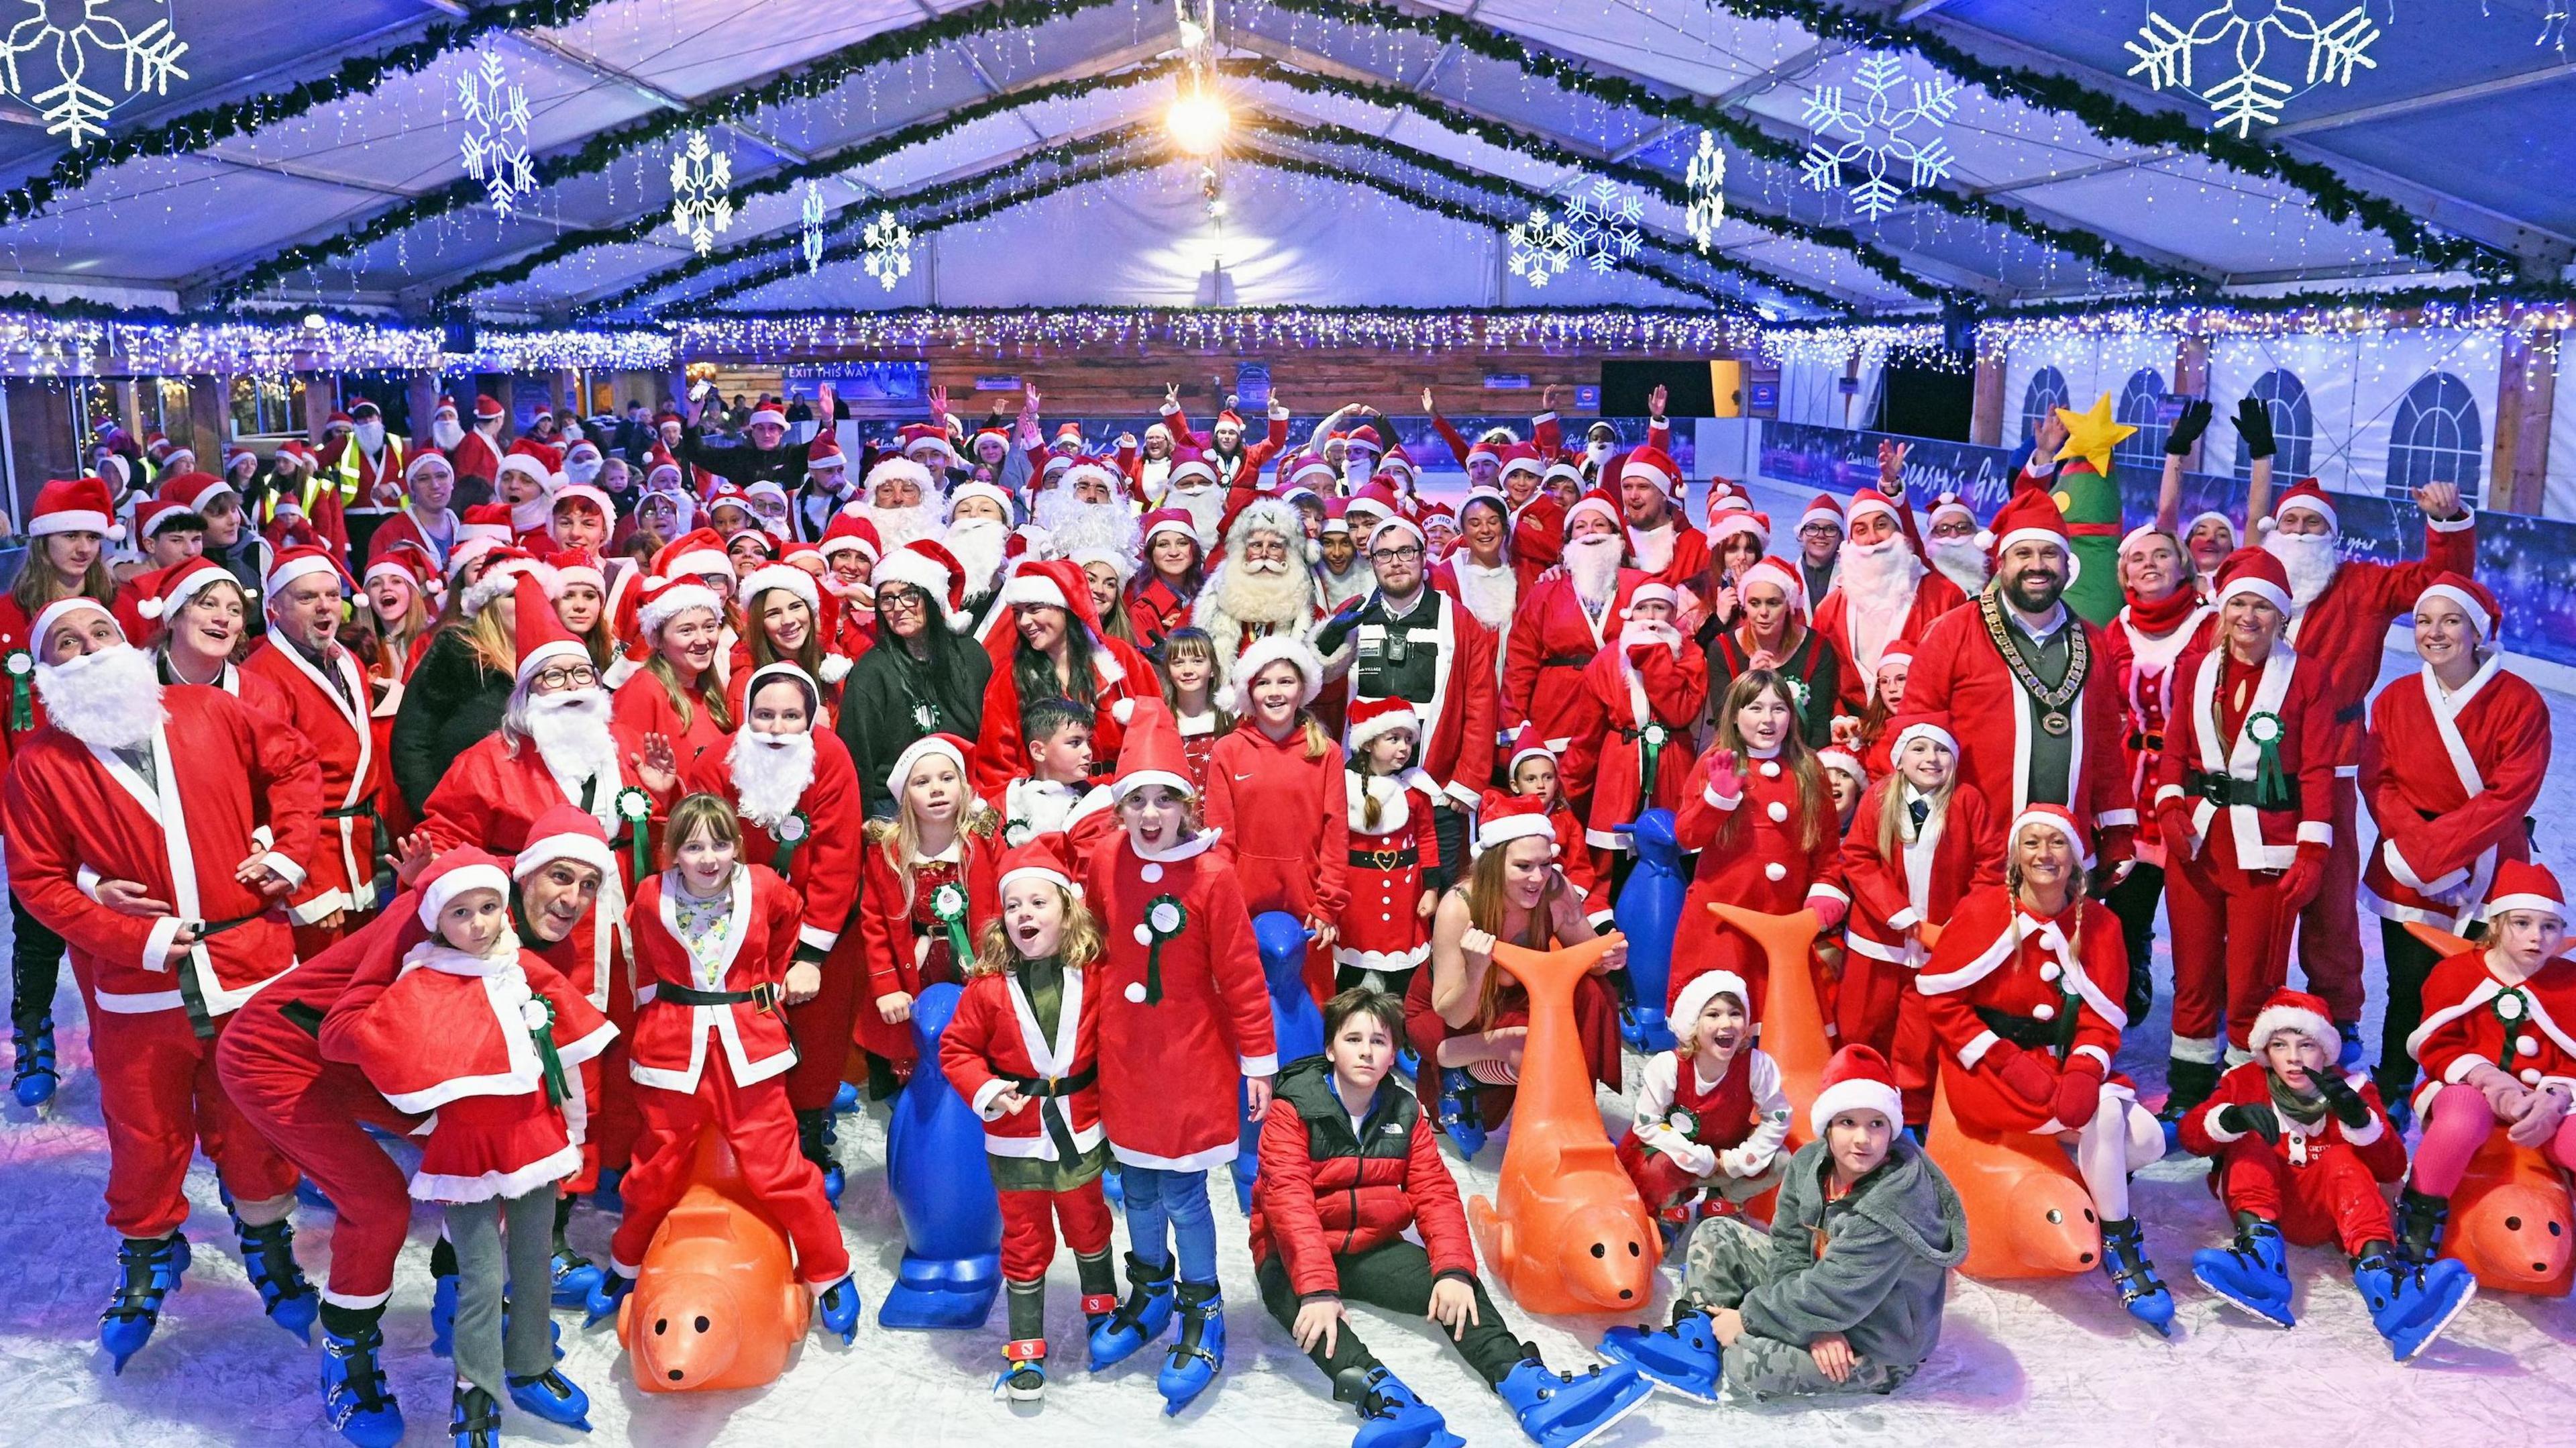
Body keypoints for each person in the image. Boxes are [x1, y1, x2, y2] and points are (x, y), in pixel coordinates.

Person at [3, 594, 325, 1366]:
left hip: (245, 965)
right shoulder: (40, 762)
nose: (88, 649)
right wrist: (134, 933)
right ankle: (148, 1250)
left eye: (100, 632)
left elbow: (297, 765)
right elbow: (39, 883)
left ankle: (267, 1239)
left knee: (252, 1117)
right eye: (66, 644)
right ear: (46, 672)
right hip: (136, 985)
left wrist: (289, 851)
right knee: (145, 1133)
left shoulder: (206, 709)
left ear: (128, 639)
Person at [219, 807, 606, 1448]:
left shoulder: (523, 926)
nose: (572, 899)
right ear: (527, 868)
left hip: (375, 1065)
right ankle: (348, 1359)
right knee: (378, 1206)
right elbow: (349, 1025)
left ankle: (466, 1313)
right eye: (560, 877)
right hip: (283, 1052)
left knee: (495, 1150)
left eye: (589, 886)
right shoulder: (456, 898)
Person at [1254, 987, 1653, 1448]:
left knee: (1458, 1287)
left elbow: (1435, 1193)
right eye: (1353, 1039)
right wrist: (1318, 1290)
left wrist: (1451, 1270)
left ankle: (1529, 1386)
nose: (1366, 1051)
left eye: (1379, 1041)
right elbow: (1290, 1202)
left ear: (1392, 1055)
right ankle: (1390, 1404)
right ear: (1330, 1049)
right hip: (1292, 1253)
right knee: (1308, 1314)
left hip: (1370, 1249)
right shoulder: (1292, 1110)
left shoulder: (1403, 1111)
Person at [330, 849, 610, 1444]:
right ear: (438, 921)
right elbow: (366, 1044)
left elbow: (567, 1062)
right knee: (481, 1277)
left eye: (488, 908)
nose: (479, 924)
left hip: (538, 1138)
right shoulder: (420, 982)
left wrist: (577, 1135)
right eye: (461, 913)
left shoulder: (523, 969)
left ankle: (531, 1364)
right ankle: (475, 1392)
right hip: (466, 1154)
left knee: (534, 1261)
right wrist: (428, 1113)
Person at [584, 794, 863, 1340]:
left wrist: (771, 982)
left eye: (718, 843)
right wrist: (654, 1017)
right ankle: (628, 1265)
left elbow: (789, 923)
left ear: (736, 846)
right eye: (693, 846)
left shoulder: (761, 885)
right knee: (653, 1171)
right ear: (672, 853)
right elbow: (642, 961)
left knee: (781, 1170)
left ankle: (831, 1272)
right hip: (673, 1055)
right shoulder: (648, 896)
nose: (707, 858)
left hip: (749, 1052)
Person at [1075, 703, 1276, 1410]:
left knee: (1183, 1192)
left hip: (1191, 1060)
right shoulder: (1105, 857)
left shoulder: (1213, 875)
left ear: (1187, 804)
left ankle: (1203, 1308)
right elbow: (1091, 941)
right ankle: (1151, 1290)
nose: (1152, 813)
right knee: (1134, 1185)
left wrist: (1258, 1059)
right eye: (1138, 799)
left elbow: (1244, 975)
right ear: (1120, 805)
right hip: (1126, 1055)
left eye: (1165, 798)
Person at [1916, 807, 2174, 1331]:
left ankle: (2092, 1195)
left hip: (2064, 1067)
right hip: (1991, 1071)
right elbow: (1943, 1004)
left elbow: (2104, 1018)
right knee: (2105, 1116)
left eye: (2056, 844)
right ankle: (2121, 1242)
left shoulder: (2099, 924)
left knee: (2149, 1142)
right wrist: (2006, 1061)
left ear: (2075, 857)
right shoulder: (1987, 910)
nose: (2043, 855)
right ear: (2016, 855)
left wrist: (2083, 1069)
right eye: (2031, 843)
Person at [1599, 1045, 1968, 1402]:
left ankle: (1726, 1334)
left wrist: (1750, 1318)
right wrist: (1814, 1323)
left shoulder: (1894, 1204)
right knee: (1716, 1232)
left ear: (1892, 1129)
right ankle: (1695, 1339)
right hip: (1825, 1300)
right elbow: (1790, 1246)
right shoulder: (1810, 1164)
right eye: (1847, 1122)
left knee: (1748, 1363)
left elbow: (1836, 1294)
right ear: (1827, 1127)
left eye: (1877, 1123)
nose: (1862, 1139)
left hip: (1879, 1339)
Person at [2255, 476, 2476, 1049]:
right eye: (2291, 523)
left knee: (2329, 888)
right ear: (2273, 532)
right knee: (2257, 885)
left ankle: (2339, 1007)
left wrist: (2447, 525)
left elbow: (2437, 582)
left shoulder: (2362, 585)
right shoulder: (2254, 592)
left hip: (2335, 760)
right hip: (2252, 761)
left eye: (2314, 525)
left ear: (2333, 536)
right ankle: (2250, 998)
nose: (2301, 534)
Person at [2177, 988, 2475, 1359]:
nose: (2294, 1058)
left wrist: (2360, 1121)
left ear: (2325, 1050)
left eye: (2306, 1046)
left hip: (2332, 1213)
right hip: (2262, 1202)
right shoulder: (2244, 1081)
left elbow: (2393, 1167)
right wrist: (2229, 1119)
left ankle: (2385, 1283)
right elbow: (2192, 1136)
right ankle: (2259, 1260)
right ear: (2265, 1050)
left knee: (2341, 1161)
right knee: (2251, 1143)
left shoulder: (2352, 1088)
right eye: (2280, 1046)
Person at [2153, 548, 2338, 1117]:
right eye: (2240, 605)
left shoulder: (2306, 676)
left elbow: (2317, 769)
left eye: (2262, 607)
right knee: (2194, 971)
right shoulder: (2194, 669)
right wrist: (2169, 808)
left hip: (2267, 849)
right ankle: (2187, 1088)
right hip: (2200, 844)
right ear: (2223, 610)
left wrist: (2312, 849)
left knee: (2253, 977)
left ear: (2281, 616)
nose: (2249, 618)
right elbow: (2175, 747)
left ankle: (2242, 1091)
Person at [939, 835, 1121, 1400]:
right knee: (1023, 1238)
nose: (1025, 914)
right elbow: (956, 1050)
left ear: (1068, 912)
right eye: (1014, 906)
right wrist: (989, 1090)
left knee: (1090, 1223)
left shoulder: (1096, 977)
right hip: (1016, 1139)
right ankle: (1025, 1348)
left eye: (1039, 903)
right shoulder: (988, 989)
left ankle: (1101, 1311)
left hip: (1080, 1129)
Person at [680, 662, 867, 1196]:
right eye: (764, 715)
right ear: (745, 718)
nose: (777, 728)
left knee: (816, 1030)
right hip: (736, 919)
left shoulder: (830, 758)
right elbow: (700, 841)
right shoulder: (717, 762)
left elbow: (837, 856)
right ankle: (745, 1133)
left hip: (815, 922)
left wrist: (810, 952)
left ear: (810, 719)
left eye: (791, 716)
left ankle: (808, 1130)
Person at [2361, 576, 2547, 1110]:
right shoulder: (2396, 698)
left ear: (2476, 631)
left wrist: (2441, 853)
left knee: (2484, 992)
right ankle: (2395, 1084)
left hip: (2489, 865)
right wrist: (2421, 855)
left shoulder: (2521, 702)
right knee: (2408, 987)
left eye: (2450, 620)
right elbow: (2378, 781)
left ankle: (2473, 1096)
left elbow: (2511, 793)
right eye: (2424, 620)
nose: (2434, 632)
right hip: (2406, 865)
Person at [1900, 489, 2138, 873]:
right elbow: (1914, 731)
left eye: (2049, 554)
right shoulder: (1951, 632)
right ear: (2001, 563)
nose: (2037, 565)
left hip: (2064, 855)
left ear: (2066, 564)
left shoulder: (2094, 640)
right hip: (1973, 850)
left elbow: (2106, 746)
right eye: (2023, 554)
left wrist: (2117, 830)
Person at [0, 475, 124, 1104]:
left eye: (92, 537)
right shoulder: (5, 615)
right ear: (44, 540)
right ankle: (34, 1035)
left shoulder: (115, 605)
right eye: (71, 535)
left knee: (119, 914)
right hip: (34, 796)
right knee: (38, 923)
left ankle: (122, 1032)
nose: (82, 548)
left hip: (109, 793)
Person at [1411, 798, 1625, 1155]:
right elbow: (1453, 1013)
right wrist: (1477, 969)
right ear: (1495, 865)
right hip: (1453, 1009)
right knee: (1528, 1046)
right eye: (1523, 866)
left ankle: (1573, 1116)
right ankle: (1459, 1073)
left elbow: (1587, 958)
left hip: (1520, 996)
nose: (1538, 878)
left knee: (1594, 993)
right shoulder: (1459, 906)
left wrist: (1608, 958)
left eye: (1545, 864)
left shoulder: (1557, 891)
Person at [2394, 860, 2576, 1268]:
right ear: (2496, 926)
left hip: (2548, 1101)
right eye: (2522, 923)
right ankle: (2418, 1229)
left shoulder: (2571, 983)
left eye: (2549, 927)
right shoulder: (2456, 974)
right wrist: (2492, 1083)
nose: (2536, 937)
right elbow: (2437, 1048)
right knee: (2460, 1119)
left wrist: (2553, 1099)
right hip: (2467, 1088)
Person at [1317, 513, 1498, 876]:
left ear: (1422, 556)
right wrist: (1327, 638)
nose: (1396, 562)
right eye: (1384, 554)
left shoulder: (1458, 619)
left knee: (1438, 884)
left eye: (1405, 552)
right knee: (1365, 883)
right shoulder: (1353, 612)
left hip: (1436, 781)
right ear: (1371, 561)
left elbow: (1481, 703)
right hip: (1361, 780)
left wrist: (1466, 782)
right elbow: (1318, 683)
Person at [1838, 717, 1998, 1125]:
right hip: (1877, 942)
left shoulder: (1967, 802)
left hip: (1939, 945)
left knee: (1920, 1032)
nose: (1931, 758)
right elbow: (1858, 858)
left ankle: (1912, 1114)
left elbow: (1990, 868)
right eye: (1920, 749)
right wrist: (1900, 914)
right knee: (1863, 1021)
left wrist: (1961, 927)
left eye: (1942, 750)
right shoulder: (1878, 799)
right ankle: (1859, 1097)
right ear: (1901, 758)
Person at [1670, 669, 1847, 1017]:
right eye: (1755, 708)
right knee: (1723, 1024)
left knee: (1783, 1025)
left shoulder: (1809, 767)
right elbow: (1686, 835)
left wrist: (1826, 890)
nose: (1768, 719)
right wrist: (1715, 800)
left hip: (1785, 922)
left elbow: (1827, 849)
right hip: (1722, 922)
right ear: (1735, 716)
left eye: (1778, 708)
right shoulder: (1715, 762)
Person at [246, 546, 390, 958]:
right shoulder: (262, 676)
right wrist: (309, 881)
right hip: (315, 854)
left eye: (331, 595)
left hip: (361, 849)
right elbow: (267, 789)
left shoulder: (348, 661)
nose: (325, 607)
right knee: (321, 983)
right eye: (307, 597)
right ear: (274, 606)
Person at [2100, 521, 2214, 1022]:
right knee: (2128, 897)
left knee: (2200, 911)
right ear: (2125, 573)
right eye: (2138, 558)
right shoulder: (2116, 627)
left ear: (2183, 565)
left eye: (2162, 555)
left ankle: (2202, 1003)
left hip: (2193, 786)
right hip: (2131, 780)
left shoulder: (2212, 625)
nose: (2150, 564)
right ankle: (2134, 970)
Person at [1203, 635, 1349, 1002]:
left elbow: (1336, 833)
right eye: (1264, 683)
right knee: (1247, 1004)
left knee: (1308, 1005)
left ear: (1303, 688)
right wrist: (1225, 907)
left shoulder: (1326, 752)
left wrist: (1328, 906)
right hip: (1244, 902)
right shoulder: (1228, 750)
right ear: (1249, 692)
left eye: (1286, 681)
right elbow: (1221, 838)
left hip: (1309, 905)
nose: (1275, 692)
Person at [856, 733, 1001, 1079]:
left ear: (963, 787)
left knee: (976, 1051)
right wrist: (888, 987)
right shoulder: (887, 852)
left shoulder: (983, 844)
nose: (937, 789)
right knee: (919, 1059)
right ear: (905, 795)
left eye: (947, 778)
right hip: (914, 970)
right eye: (922, 782)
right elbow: (874, 923)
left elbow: (998, 911)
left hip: (974, 967)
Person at [1615, 970, 1790, 1228]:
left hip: (1727, 1158)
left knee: (1782, 1160)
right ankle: (1671, 1205)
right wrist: (1699, 1158)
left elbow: (1777, 1117)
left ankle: (1724, 1198)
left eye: (1735, 1013)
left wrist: (1738, 1160)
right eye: (1713, 1015)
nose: (1727, 1023)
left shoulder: (1758, 1065)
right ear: (1693, 1024)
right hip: (1677, 1157)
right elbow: (1647, 1124)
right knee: (1651, 1167)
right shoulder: (1667, 1066)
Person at [973, 559, 1157, 800]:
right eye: (1018, 613)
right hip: (1046, 806)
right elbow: (997, 763)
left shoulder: (1120, 657)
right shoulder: (1011, 674)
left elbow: (1156, 729)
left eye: (1035, 609)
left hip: (1122, 798)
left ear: (1065, 607)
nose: (1024, 622)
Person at [1557, 581, 1704, 875]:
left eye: (1660, 608)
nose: (1650, 617)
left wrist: (1651, 655)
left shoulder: (1690, 655)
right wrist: (1568, 785)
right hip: (1620, 766)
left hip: (1673, 765)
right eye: (1642, 608)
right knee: (1616, 861)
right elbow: (1587, 733)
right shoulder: (1607, 660)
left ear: (1674, 614)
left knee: (1676, 853)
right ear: (1630, 614)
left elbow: (1679, 712)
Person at [839, 539, 987, 819]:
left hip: (965, 795)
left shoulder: (971, 656)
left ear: (931, 599)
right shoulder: (871, 671)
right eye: (887, 598)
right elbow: (857, 758)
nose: (898, 607)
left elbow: (990, 735)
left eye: (909, 594)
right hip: (895, 806)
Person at [390, 548, 545, 813]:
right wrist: (430, 811)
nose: (524, 603)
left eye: (532, 595)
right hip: (463, 816)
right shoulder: (456, 650)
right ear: (489, 605)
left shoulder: (553, 659)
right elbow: (411, 739)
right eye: (511, 596)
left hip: (533, 815)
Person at [1503, 487, 1639, 754]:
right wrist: (1515, 724)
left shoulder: (1639, 588)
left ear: (1617, 537)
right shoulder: (1546, 591)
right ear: (1568, 540)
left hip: (1619, 715)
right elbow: (1520, 662)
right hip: (1557, 716)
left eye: (1600, 524)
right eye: (1580, 526)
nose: (1590, 532)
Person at [1809, 471, 1965, 682]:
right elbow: (1821, 680)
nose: (1873, 538)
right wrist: (1840, 716)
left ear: (1899, 531)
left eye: (1881, 525)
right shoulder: (1829, 611)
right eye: (1861, 530)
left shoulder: (1946, 598)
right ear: (1850, 542)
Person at [1336, 698, 1445, 995]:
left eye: (1408, 739)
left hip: (1404, 896)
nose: (1404, 747)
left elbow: (1427, 838)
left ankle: (1403, 1033)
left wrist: (1432, 889)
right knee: (1353, 968)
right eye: (1393, 738)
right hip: (1358, 896)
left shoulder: (1416, 791)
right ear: (1369, 744)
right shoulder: (1342, 788)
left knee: (1405, 974)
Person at [1703, 557, 1859, 750]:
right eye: (1754, 603)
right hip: (1742, 755)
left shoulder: (1817, 648)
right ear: (1744, 605)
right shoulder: (1723, 649)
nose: (1763, 612)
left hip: (1801, 754)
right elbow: (1723, 722)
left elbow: (1819, 727)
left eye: (1773, 603)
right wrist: (1749, 683)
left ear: (1789, 605)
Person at [614, 574, 735, 767]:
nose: (703, 640)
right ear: (658, 640)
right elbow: (628, 773)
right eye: (687, 630)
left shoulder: (710, 690)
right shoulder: (643, 689)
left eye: (709, 627)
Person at [1192, 495, 1322, 660]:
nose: (1264, 553)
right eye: (1256, 545)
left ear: (1289, 553)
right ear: (1242, 550)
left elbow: (1324, 672)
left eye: (1275, 546)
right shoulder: (1213, 598)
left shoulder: (1306, 606)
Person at [996, 696, 1110, 845]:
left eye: (1088, 742)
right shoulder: (1004, 805)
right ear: (1038, 751)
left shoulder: (1101, 805)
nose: (1088, 751)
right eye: (1075, 743)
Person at [1158, 625, 1227, 793]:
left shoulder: (1229, 718)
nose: (1188, 670)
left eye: (1197, 661)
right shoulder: (1160, 721)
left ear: (1212, 669)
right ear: (1168, 670)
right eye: (1178, 663)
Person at [1124, 507, 1203, 653]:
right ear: (1150, 554)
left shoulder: (1209, 593)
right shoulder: (1143, 611)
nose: (1174, 552)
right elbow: (1152, 669)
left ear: (1194, 549)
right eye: (1163, 545)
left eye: (1182, 543)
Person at [1792, 490, 1845, 607]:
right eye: (1812, 528)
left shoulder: (1852, 578)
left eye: (1830, 529)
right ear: (1801, 535)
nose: (1821, 535)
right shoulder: (1786, 576)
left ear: (1841, 538)